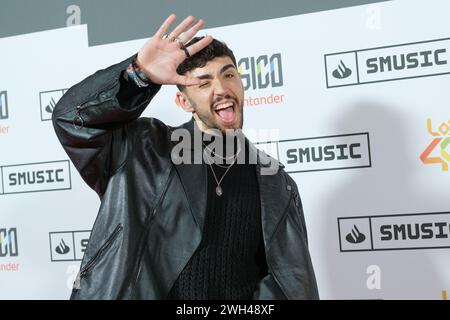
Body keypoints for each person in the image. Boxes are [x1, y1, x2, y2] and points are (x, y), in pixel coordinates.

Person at [52, 14, 319, 300]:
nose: (221, 89)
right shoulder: (143, 149)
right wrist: (138, 74)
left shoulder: (276, 183)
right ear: (183, 101)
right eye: (203, 83)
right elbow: (71, 119)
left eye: (228, 75)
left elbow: (288, 283)